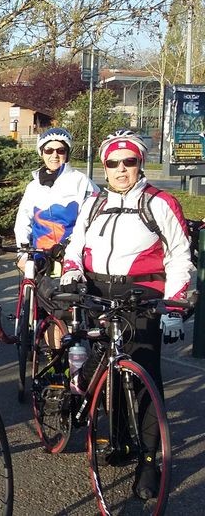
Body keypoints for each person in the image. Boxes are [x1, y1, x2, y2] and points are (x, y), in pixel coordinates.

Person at [61, 129, 193, 501]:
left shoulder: (160, 202)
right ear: (105, 167)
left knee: (145, 376)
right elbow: (75, 245)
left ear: (140, 164)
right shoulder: (94, 203)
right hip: (98, 292)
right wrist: (72, 272)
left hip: (142, 296)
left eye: (129, 161)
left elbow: (180, 257)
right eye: (113, 163)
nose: (121, 169)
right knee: (106, 366)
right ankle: (115, 437)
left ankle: (149, 462)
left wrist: (173, 308)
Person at [14, 127, 97, 346]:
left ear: (67, 153)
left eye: (60, 150)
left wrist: (71, 245)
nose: (54, 155)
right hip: (39, 255)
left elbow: (93, 218)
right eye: (48, 150)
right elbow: (23, 221)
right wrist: (23, 253)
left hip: (69, 254)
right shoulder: (33, 186)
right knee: (40, 307)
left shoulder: (81, 181)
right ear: (41, 152)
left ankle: (70, 351)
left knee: (66, 308)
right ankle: (47, 346)